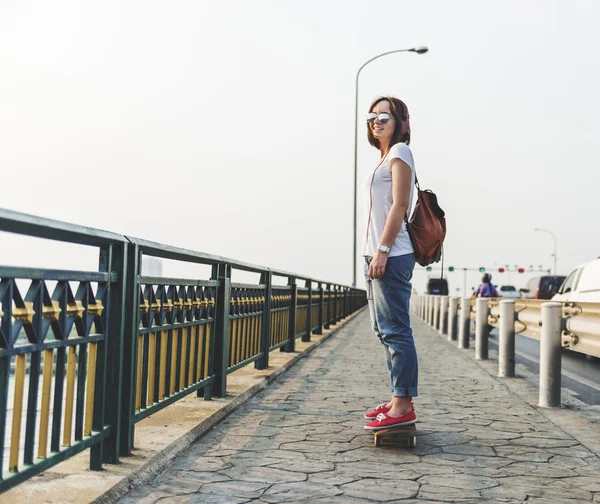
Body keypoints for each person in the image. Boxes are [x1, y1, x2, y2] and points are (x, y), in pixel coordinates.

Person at [362, 96, 418, 431]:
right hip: (377, 253)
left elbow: (400, 204)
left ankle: (403, 405)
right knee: (383, 330)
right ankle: (397, 397)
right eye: (372, 116)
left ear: (400, 122)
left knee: (396, 331)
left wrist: (382, 249)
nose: (377, 120)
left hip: (392, 254)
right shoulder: (382, 158)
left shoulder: (400, 152)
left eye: (385, 115)